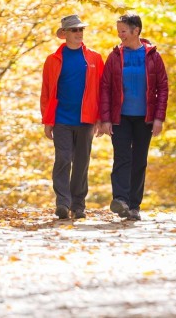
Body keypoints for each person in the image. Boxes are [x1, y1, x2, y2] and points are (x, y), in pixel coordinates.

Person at [99, 13, 168, 221]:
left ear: (136, 31)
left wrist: (159, 118)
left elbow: (162, 88)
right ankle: (120, 200)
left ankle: (134, 206)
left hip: (144, 118)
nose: (120, 35)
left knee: (139, 160)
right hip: (120, 117)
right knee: (122, 157)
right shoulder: (115, 56)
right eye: (118, 31)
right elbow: (105, 88)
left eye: (123, 31)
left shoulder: (153, 56)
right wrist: (106, 118)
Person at [40, 14, 104, 220]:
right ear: (65, 34)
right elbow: (47, 91)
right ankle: (62, 202)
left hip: (86, 119)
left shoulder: (94, 58)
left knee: (81, 162)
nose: (79, 33)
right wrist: (47, 121)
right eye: (74, 30)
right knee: (63, 159)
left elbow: (102, 90)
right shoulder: (53, 60)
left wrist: (101, 118)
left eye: (81, 30)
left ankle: (78, 205)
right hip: (61, 119)